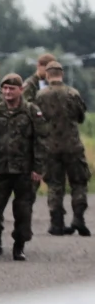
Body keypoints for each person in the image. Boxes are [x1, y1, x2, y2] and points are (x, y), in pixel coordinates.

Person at [0, 73, 45, 260]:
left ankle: (19, 245)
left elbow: (41, 141)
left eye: (12, 88)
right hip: (0, 169)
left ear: (20, 90)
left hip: (25, 171)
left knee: (23, 210)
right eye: (5, 88)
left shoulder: (31, 111)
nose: (7, 92)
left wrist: (38, 169)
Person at [34, 60, 89, 235]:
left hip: (50, 147)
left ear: (47, 75)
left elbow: (36, 120)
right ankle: (78, 218)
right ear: (62, 74)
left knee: (54, 184)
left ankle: (56, 223)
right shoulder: (73, 93)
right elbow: (81, 117)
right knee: (79, 182)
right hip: (73, 145)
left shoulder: (40, 96)